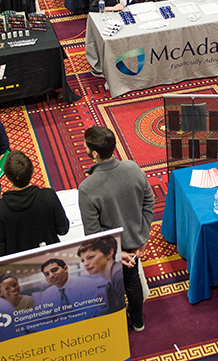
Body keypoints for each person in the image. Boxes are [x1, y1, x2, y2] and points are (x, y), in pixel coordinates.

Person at [78, 125, 155, 331]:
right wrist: (142, 237)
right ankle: (138, 322)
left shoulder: (87, 188)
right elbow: (150, 202)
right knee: (133, 282)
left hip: (109, 251)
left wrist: (116, 253)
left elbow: (92, 233)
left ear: (94, 153)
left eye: (85, 145)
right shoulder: (132, 168)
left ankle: (115, 330)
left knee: (111, 288)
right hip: (133, 246)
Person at [0, 150, 68, 257]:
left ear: (7, 177)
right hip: (51, 258)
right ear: (32, 171)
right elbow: (63, 229)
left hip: (20, 266)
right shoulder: (48, 195)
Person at [35, 258, 101, 319]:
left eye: (54, 270)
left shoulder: (85, 283)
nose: (51, 275)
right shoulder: (47, 294)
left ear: (66, 269)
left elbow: (89, 313)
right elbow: (48, 318)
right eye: (47, 274)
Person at [77, 236, 126, 313]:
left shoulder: (118, 275)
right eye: (83, 260)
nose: (85, 264)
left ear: (110, 253)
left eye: (90, 257)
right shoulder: (108, 282)